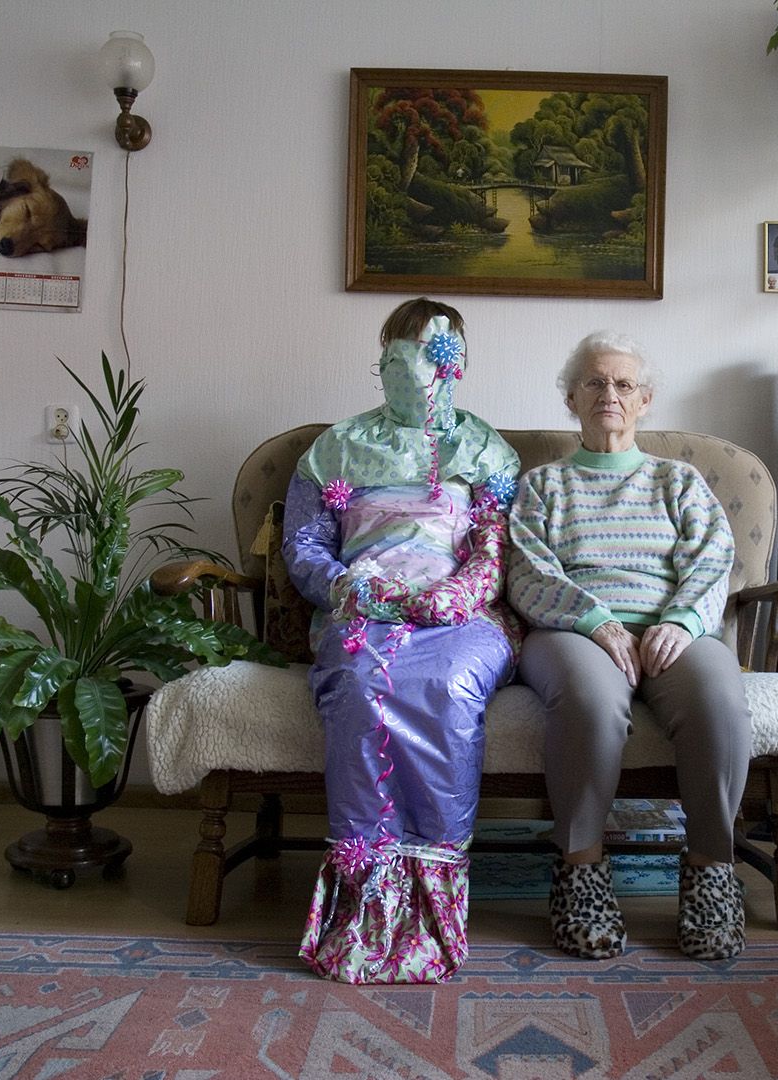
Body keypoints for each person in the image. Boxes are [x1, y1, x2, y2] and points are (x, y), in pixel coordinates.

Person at [285, 297, 521, 984]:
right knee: (361, 685)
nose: (418, 370)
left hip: (458, 618)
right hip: (362, 608)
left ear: (459, 362)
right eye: (402, 353)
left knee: (445, 685)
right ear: (381, 358)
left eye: (435, 352)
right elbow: (304, 545)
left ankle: (433, 913)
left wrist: (457, 594)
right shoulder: (333, 448)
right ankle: (365, 916)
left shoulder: (484, 450)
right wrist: (350, 588)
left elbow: (496, 545)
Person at [507, 330, 752, 961]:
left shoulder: (678, 481)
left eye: (623, 384)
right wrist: (596, 622)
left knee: (719, 698)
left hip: (671, 628)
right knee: (590, 702)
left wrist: (680, 621)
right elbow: (528, 573)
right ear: (570, 398)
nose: (608, 394)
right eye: (594, 382)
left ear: (644, 401)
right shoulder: (542, 487)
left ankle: (709, 873)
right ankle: (581, 869)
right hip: (571, 631)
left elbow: (713, 560)